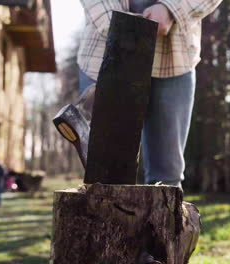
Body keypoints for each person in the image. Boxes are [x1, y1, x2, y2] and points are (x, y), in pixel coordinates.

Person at [73, 0, 222, 188]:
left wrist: (171, 8)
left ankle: (166, 217)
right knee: (105, 176)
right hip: (104, 53)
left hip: (174, 59)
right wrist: (118, 22)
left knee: (167, 179)